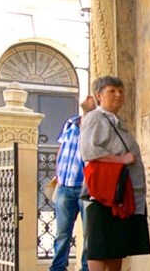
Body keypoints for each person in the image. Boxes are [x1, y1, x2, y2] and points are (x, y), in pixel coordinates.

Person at [77, 76, 149, 271]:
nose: (118, 95)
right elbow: (88, 150)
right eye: (112, 91)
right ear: (99, 95)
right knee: (100, 248)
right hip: (104, 194)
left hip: (119, 195)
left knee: (116, 248)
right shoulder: (95, 117)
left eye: (121, 91)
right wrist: (121, 159)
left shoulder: (113, 120)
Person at [47, 96, 89, 271]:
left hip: (85, 187)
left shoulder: (94, 126)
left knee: (88, 233)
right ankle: (57, 268)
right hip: (65, 186)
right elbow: (62, 148)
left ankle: (86, 268)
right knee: (62, 232)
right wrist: (58, 174)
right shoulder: (70, 124)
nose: (88, 98)